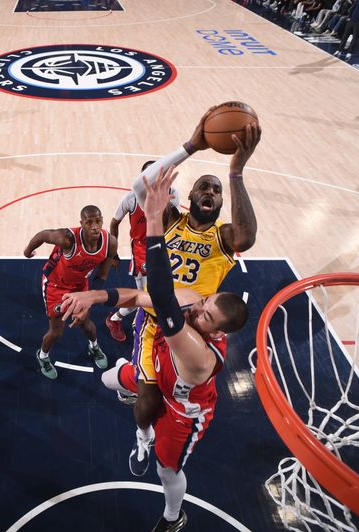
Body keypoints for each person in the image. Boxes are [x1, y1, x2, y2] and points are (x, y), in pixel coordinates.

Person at [60, 168, 249, 531]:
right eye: (203, 187)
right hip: (163, 321)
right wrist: (97, 295)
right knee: (110, 379)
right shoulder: (191, 300)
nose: (199, 307)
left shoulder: (196, 344)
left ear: (217, 329)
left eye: (205, 314)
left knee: (164, 458)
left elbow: (160, 299)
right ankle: (132, 390)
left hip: (182, 401)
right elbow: (155, 297)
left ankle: (171, 512)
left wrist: (222, 166)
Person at [121, 109, 260, 477]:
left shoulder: (225, 237)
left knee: (183, 399)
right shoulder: (170, 219)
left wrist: (235, 173)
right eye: (205, 187)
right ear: (191, 195)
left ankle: (165, 422)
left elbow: (248, 236)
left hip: (194, 330)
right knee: (148, 399)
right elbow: (140, 188)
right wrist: (191, 146)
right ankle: (142, 434)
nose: (210, 193)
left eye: (216, 190)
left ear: (219, 202)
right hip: (154, 322)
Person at [23, 205, 118, 379]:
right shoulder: (68, 239)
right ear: (81, 224)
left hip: (80, 286)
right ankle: (42, 356)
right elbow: (43, 235)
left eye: (98, 221)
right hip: (55, 286)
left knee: (86, 323)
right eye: (89, 223)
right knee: (57, 331)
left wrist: (89, 299)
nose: (95, 226)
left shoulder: (110, 243)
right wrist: (28, 250)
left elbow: (102, 275)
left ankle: (94, 346)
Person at [104, 160, 180, 344]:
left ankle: (151, 320)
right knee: (145, 295)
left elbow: (175, 221)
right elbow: (114, 223)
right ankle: (115, 319)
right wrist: (113, 254)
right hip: (140, 249)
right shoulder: (130, 199)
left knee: (167, 291)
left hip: (163, 244)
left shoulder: (173, 194)